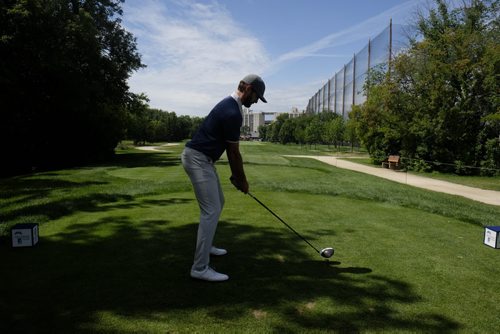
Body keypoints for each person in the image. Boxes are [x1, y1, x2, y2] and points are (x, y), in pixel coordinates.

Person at [181, 74, 267, 282]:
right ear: (247, 89)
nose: (255, 101)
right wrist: (242, 180)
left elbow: (231, 152)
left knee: (218, 203)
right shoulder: (231, 111)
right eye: (256, 96)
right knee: (210, 210)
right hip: (197, 159)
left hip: (203, 160)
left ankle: (207, 246)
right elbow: (233, 153)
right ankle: (200, 268)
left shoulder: (232, 106)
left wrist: (237, 177)